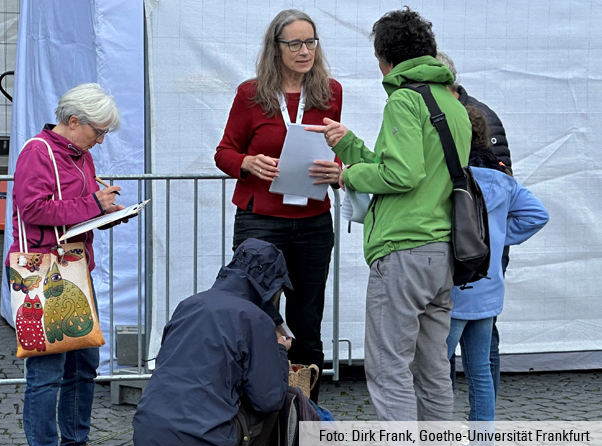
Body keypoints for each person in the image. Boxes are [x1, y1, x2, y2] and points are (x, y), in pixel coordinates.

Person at [308, 8, 471, 421]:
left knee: (388, 368)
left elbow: (402, 173)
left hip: (402, 250)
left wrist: (348, 174)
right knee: (433, 369)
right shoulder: (451, 104)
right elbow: (418, 168)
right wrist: (349, 145)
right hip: (443, 250)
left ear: (384, 58)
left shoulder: (404, 99)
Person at [214, 9, 342, 403]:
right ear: (276, 47)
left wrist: (338, 166)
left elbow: (331, 153)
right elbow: (224, 153)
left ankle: (305, 415)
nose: (305, 51)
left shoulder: (329, 92)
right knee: (256, 317)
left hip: (312, 220)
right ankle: (258, 410)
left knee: (307, 320)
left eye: (311, 42)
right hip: (261, 221)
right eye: (295, 44)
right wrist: (247, 163)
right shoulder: (251, 94)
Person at [8, 83, 122, 446]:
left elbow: (73, 213)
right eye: (99, 131)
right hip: (42, 269)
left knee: (83, 365)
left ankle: (76, 443)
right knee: (47, 373)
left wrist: (104, 215)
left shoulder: (79, 155)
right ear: (74, 121)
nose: (101, 140)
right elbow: (34, 210)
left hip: (73, 268)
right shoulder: (37, 152)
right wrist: (93, 205)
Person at [133, 238, 292, 446]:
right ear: (272, 287)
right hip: (203, 441)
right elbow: (269, 399)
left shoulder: (189, 304)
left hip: (147, 434)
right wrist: (280, 350)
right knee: (281, 402)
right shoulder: (255, 318)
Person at [446, 107, 549, 422]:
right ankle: (483, 442)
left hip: (451, 289)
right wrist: (498, 237)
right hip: (488, 289)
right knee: (480, 372)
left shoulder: (450, 178)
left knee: (434, 370)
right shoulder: (503, 179)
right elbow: (537, 215)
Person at [435, 51, 512, 397]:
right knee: (468, 350)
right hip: (473, 247)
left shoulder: (476, 117)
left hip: (472, 249)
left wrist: (497, 236)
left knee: (455, 346)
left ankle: (453, 426)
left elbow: (500, 190)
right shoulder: (442, 112)